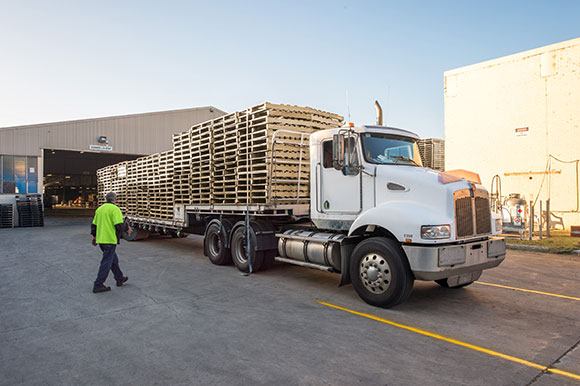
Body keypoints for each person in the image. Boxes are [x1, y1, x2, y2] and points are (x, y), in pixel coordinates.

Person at [91, 192, 133, 293]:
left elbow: (94, 226)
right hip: (110, 240)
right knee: (106, 262)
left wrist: (94, 237)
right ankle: (98, 284)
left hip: (101, 240)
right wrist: (127, 229)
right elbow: (119, 225)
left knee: (113, 260)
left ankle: (119, 278)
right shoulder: (115, 209)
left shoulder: (99, 209)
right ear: (114, 200)